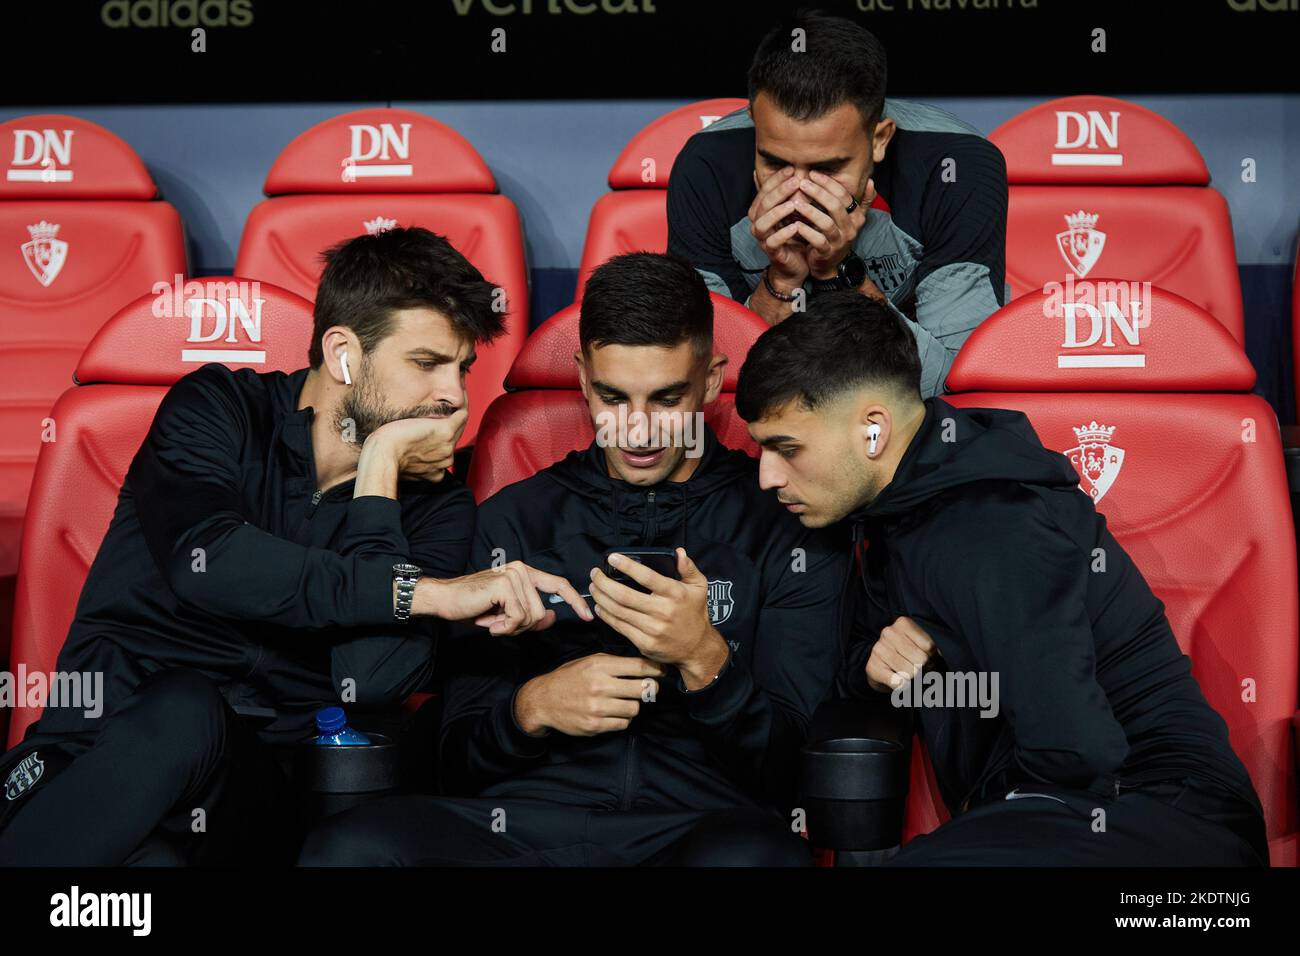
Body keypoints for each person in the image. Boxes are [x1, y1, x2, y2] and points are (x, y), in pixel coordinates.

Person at [0, 226, 585, 866]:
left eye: (462, 369)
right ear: (343, 354)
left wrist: (379, 472)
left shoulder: (438, 505)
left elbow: (369, 680)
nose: (454, 396)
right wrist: (417, 594)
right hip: (94, 752)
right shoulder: (218, 407)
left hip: (250, 798)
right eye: (426, 363)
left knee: (190, 716)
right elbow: (209, 561)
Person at [298, 252, 850, 866]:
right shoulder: (513, 518)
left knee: (756, 860)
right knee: (349, 848)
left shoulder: (783, 524)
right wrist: (529, 709)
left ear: (713, 379)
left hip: (698, 826)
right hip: (522, 824)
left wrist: (705, 660)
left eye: (667, 399)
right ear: (583, 377)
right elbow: (451, 756)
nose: (637, 432)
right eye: (612, 398)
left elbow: (793, 772)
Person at [733, 290, 1267, 866]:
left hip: (1165, 820)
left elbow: (1075, 751)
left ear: (872, 430)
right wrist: (876, 664)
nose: (767, 476)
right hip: (1072, 812)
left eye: (786, 448)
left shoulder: (988, 524)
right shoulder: (900, 506)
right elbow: (866, 661)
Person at [667, 10, 1007, 398]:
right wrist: (780, 281)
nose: (799, 190)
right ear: (754, 126)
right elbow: (703, 380)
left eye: (827, 168)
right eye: (775, 162)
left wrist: (839, 272)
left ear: (879, 139)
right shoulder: (705, 166)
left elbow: (953, 384)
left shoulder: (958, 167)